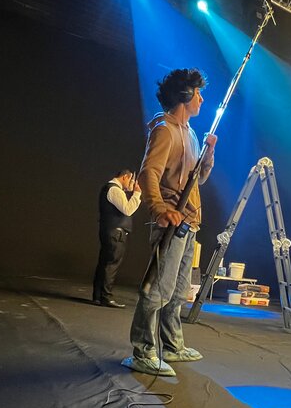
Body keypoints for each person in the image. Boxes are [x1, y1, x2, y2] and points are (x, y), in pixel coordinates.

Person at [122, 68, 216, 376]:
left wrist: (209, 153)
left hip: (189, 223)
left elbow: (199, 178)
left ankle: (172, 345)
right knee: (158, 289)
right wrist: (159, 208)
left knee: (177, 291)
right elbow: (149, 172)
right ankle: (143, 351)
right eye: (198, 93)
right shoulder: (164, 130)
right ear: (185, 95)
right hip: (171, 225)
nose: (201, 99)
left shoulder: (190, 134)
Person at [92, 168, 142, 308]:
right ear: (125, 177)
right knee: (111, 265)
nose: (132, 184)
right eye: (131, 180)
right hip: (116, 234)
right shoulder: (114, 190)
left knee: (105, 264)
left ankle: (98, 296)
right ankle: (105, 297)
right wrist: (137, 193)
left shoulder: (110, 189)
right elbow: (128, 209)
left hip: (111, 232)